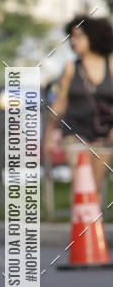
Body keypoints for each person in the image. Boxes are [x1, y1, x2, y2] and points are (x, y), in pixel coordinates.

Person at [44, 15, 113, 192]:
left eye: (78, 36)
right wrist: (49, 135)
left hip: (103, 136)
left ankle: (91, 220)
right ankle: (82, 219)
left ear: (93, 36)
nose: (73, 41)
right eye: (71, 37)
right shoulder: (70, 68)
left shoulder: (111, 65)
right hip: (75, 134)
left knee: (94, 188)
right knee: (82, 185)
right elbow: (60, 104)